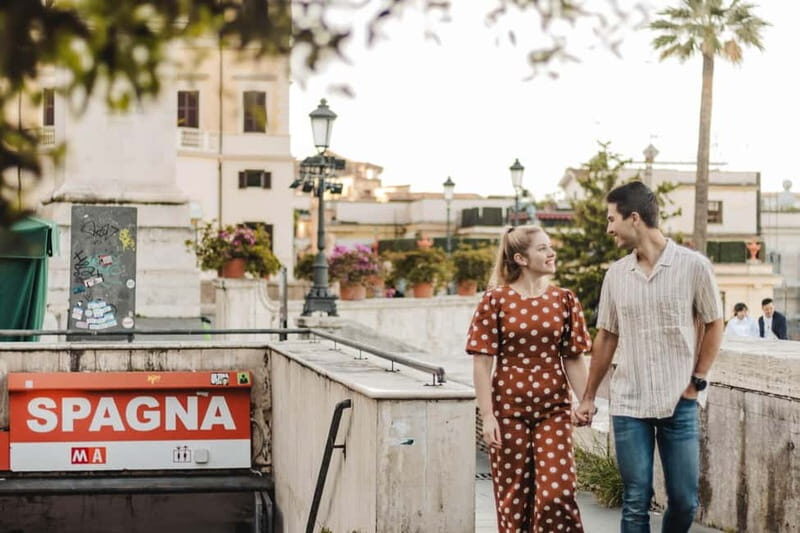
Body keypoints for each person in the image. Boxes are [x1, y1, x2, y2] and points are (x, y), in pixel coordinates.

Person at [575, 181, 724, 533]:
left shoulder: (693, 267)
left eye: (612, 219)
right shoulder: (615, 275)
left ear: (635, 218)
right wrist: (589, 396)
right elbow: (607, 336)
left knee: (685, 501)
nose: (609, 228)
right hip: (629, 402)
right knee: (636, 500)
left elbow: (714, 323)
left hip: (681, 400)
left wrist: (697, 380)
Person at [466, 224, 591, 533]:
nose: (551, 253)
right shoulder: (495, 301)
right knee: (514, 498)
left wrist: (586, 400)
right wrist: (488, 416)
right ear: (521, 259)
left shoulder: (564, 300)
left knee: (557, 493)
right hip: (508, 411)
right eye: (543, 248)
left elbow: (573, 356)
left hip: (554, 410)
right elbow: (482, 362)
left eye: (550, 247)